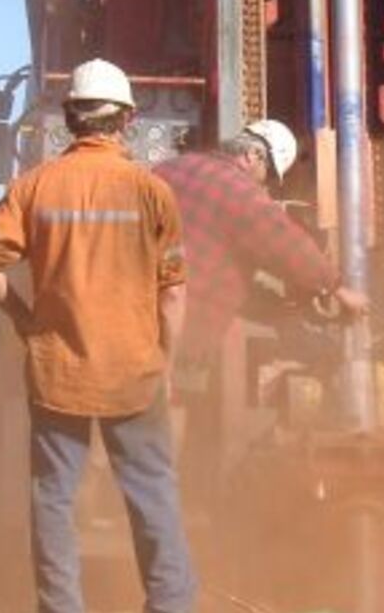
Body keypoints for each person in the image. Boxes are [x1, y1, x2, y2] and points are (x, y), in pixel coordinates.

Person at [0, 58, 196, 613]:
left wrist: (24, 320)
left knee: (53, 500)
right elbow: (172, 295)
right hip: (135, 373)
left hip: (57, 372)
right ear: (128, 120)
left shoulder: (34, 186)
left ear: (70, 118)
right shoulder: (152, 192)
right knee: (153, 498)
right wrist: (166, 364)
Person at [153, 119, 369, 497]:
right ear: (253, 155)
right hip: (186, 324)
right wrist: (337, 288)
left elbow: (206, 246)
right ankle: (189, 498)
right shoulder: (239, 190)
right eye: (267, 174)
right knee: (195, 408)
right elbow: (283, 244)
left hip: (134, 313)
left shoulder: (168, 169)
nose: (264, 184)